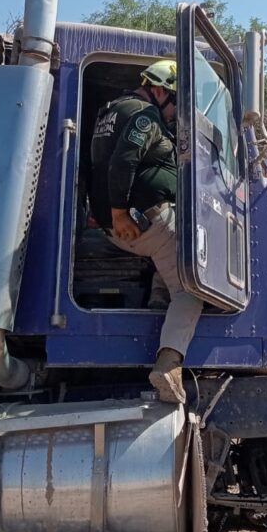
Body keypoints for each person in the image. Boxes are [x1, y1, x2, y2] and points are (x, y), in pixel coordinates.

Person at [88, 59, 202, 404]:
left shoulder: (110, 111)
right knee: (191, 288)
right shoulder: (145, 116)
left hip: (123, 224)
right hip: (141, 221)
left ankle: (157, 295)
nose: (176, 113)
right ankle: (169, 364)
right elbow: (124, 161)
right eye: (176, 102)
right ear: (160, 91)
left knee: (172, 248)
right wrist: (119, 213)